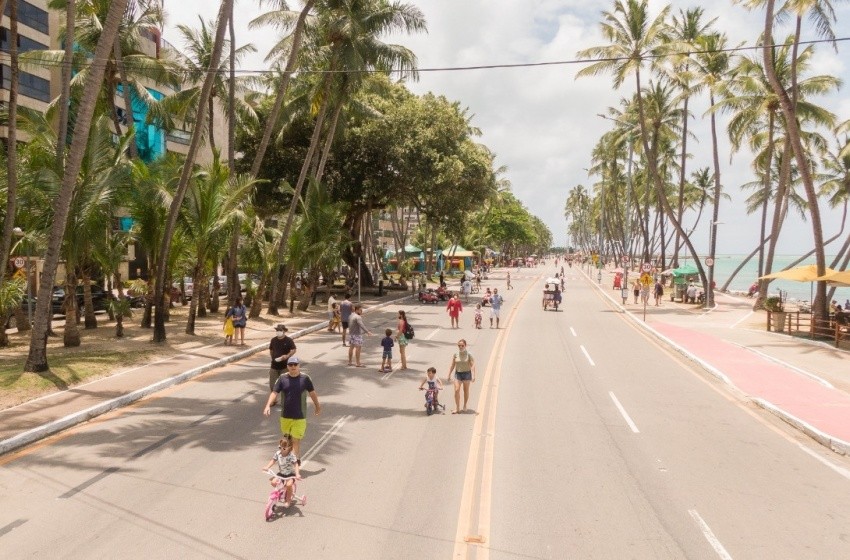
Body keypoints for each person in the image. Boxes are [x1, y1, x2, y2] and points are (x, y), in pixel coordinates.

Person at [263, 356, 321, 460]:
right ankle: (288, 462)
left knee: (296, 440)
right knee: (287, 439)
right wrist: (268, 405)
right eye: (290, 365)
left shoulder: (305, 378)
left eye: (295, 365)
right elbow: (274, 392)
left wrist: (317, 406)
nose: (293, 367)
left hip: (300, 416)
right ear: (287, 366)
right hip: (285, 416)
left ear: (299, 366)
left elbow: (312, 393)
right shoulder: (282, 378)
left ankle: (296, 462)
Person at [261, 434, 301, 508]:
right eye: (280, 447)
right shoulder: (278, 453)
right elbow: (273, 460)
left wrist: (297, 474)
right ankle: (282, 491)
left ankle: (288, 499)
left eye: (284, 448)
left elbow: (296, 465)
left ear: (289, 448)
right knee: (273, 482)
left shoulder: (291, 456)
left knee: (289, 485)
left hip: (290, 474)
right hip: (281, 474)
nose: (282, 449)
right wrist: (267, 467)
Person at [446, 339, 475, 414]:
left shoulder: (469, 354)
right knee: (456, 390)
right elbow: (452, 365)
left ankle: (465, 405)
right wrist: (449, 374)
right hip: (458, 374)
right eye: (459, 345)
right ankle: (457, 407)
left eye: (462, 345)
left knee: (465, 391)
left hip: (467, 374)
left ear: (465, 345)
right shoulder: (455, 354)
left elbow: (472, 365)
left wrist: (473, 375)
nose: (461, 347)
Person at [269, 324, 297, 392]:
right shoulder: (273, 340)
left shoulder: (288, 340)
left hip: (284, 366)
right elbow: (271, 350)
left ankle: (286, 400)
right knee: (273, 385)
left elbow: (293, 349)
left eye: (280, 330)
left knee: (285, 385)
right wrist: (273, 358)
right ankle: (273, 400)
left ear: (284, 331)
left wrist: (287, 356)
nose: (278, 332)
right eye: (277, 330)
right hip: (274, 366)